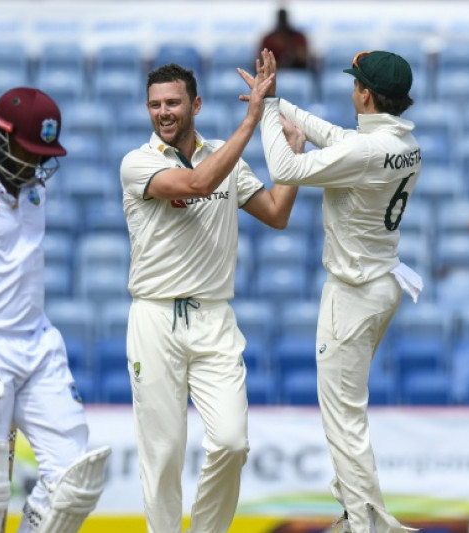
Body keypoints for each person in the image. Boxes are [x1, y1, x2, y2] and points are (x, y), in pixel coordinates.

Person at [119, 52, 299, 533]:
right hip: (155, 317)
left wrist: (292, 159)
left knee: (232, 443)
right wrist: (252, 120)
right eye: (155, 104)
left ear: (195, 105)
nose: (163, 113)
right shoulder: (137, 163)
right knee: (162, 454)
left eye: (173, 103)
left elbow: (277, 214)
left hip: (214, 318)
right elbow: (198, 183)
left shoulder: (224, 156)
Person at [254, 50, 422, 533]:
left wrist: (265, 112)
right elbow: (338, 137)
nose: (352, 91)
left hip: (352, 294)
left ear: (366, 95)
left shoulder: (366, 153)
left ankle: (365, 523)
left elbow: (285, 169)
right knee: (346, 414)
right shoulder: (404, 144)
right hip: (381, 284)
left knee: (343, 418)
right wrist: (277, 101)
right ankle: (356, 514)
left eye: (355, 85)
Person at [0, 86, 109, 533]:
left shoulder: (34, 190)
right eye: (30, 151)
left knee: (74, 480)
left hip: (39, 347)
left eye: (44, 154)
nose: (37, 164)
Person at [259, 6, 310, 70]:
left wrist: (292, 54)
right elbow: (261, 61)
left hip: (297, 71)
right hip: (274, 72)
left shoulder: (298, 37)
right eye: (281, 21)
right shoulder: (269, 39)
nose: (283, 24)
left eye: (284, 21)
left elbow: (304, 57)